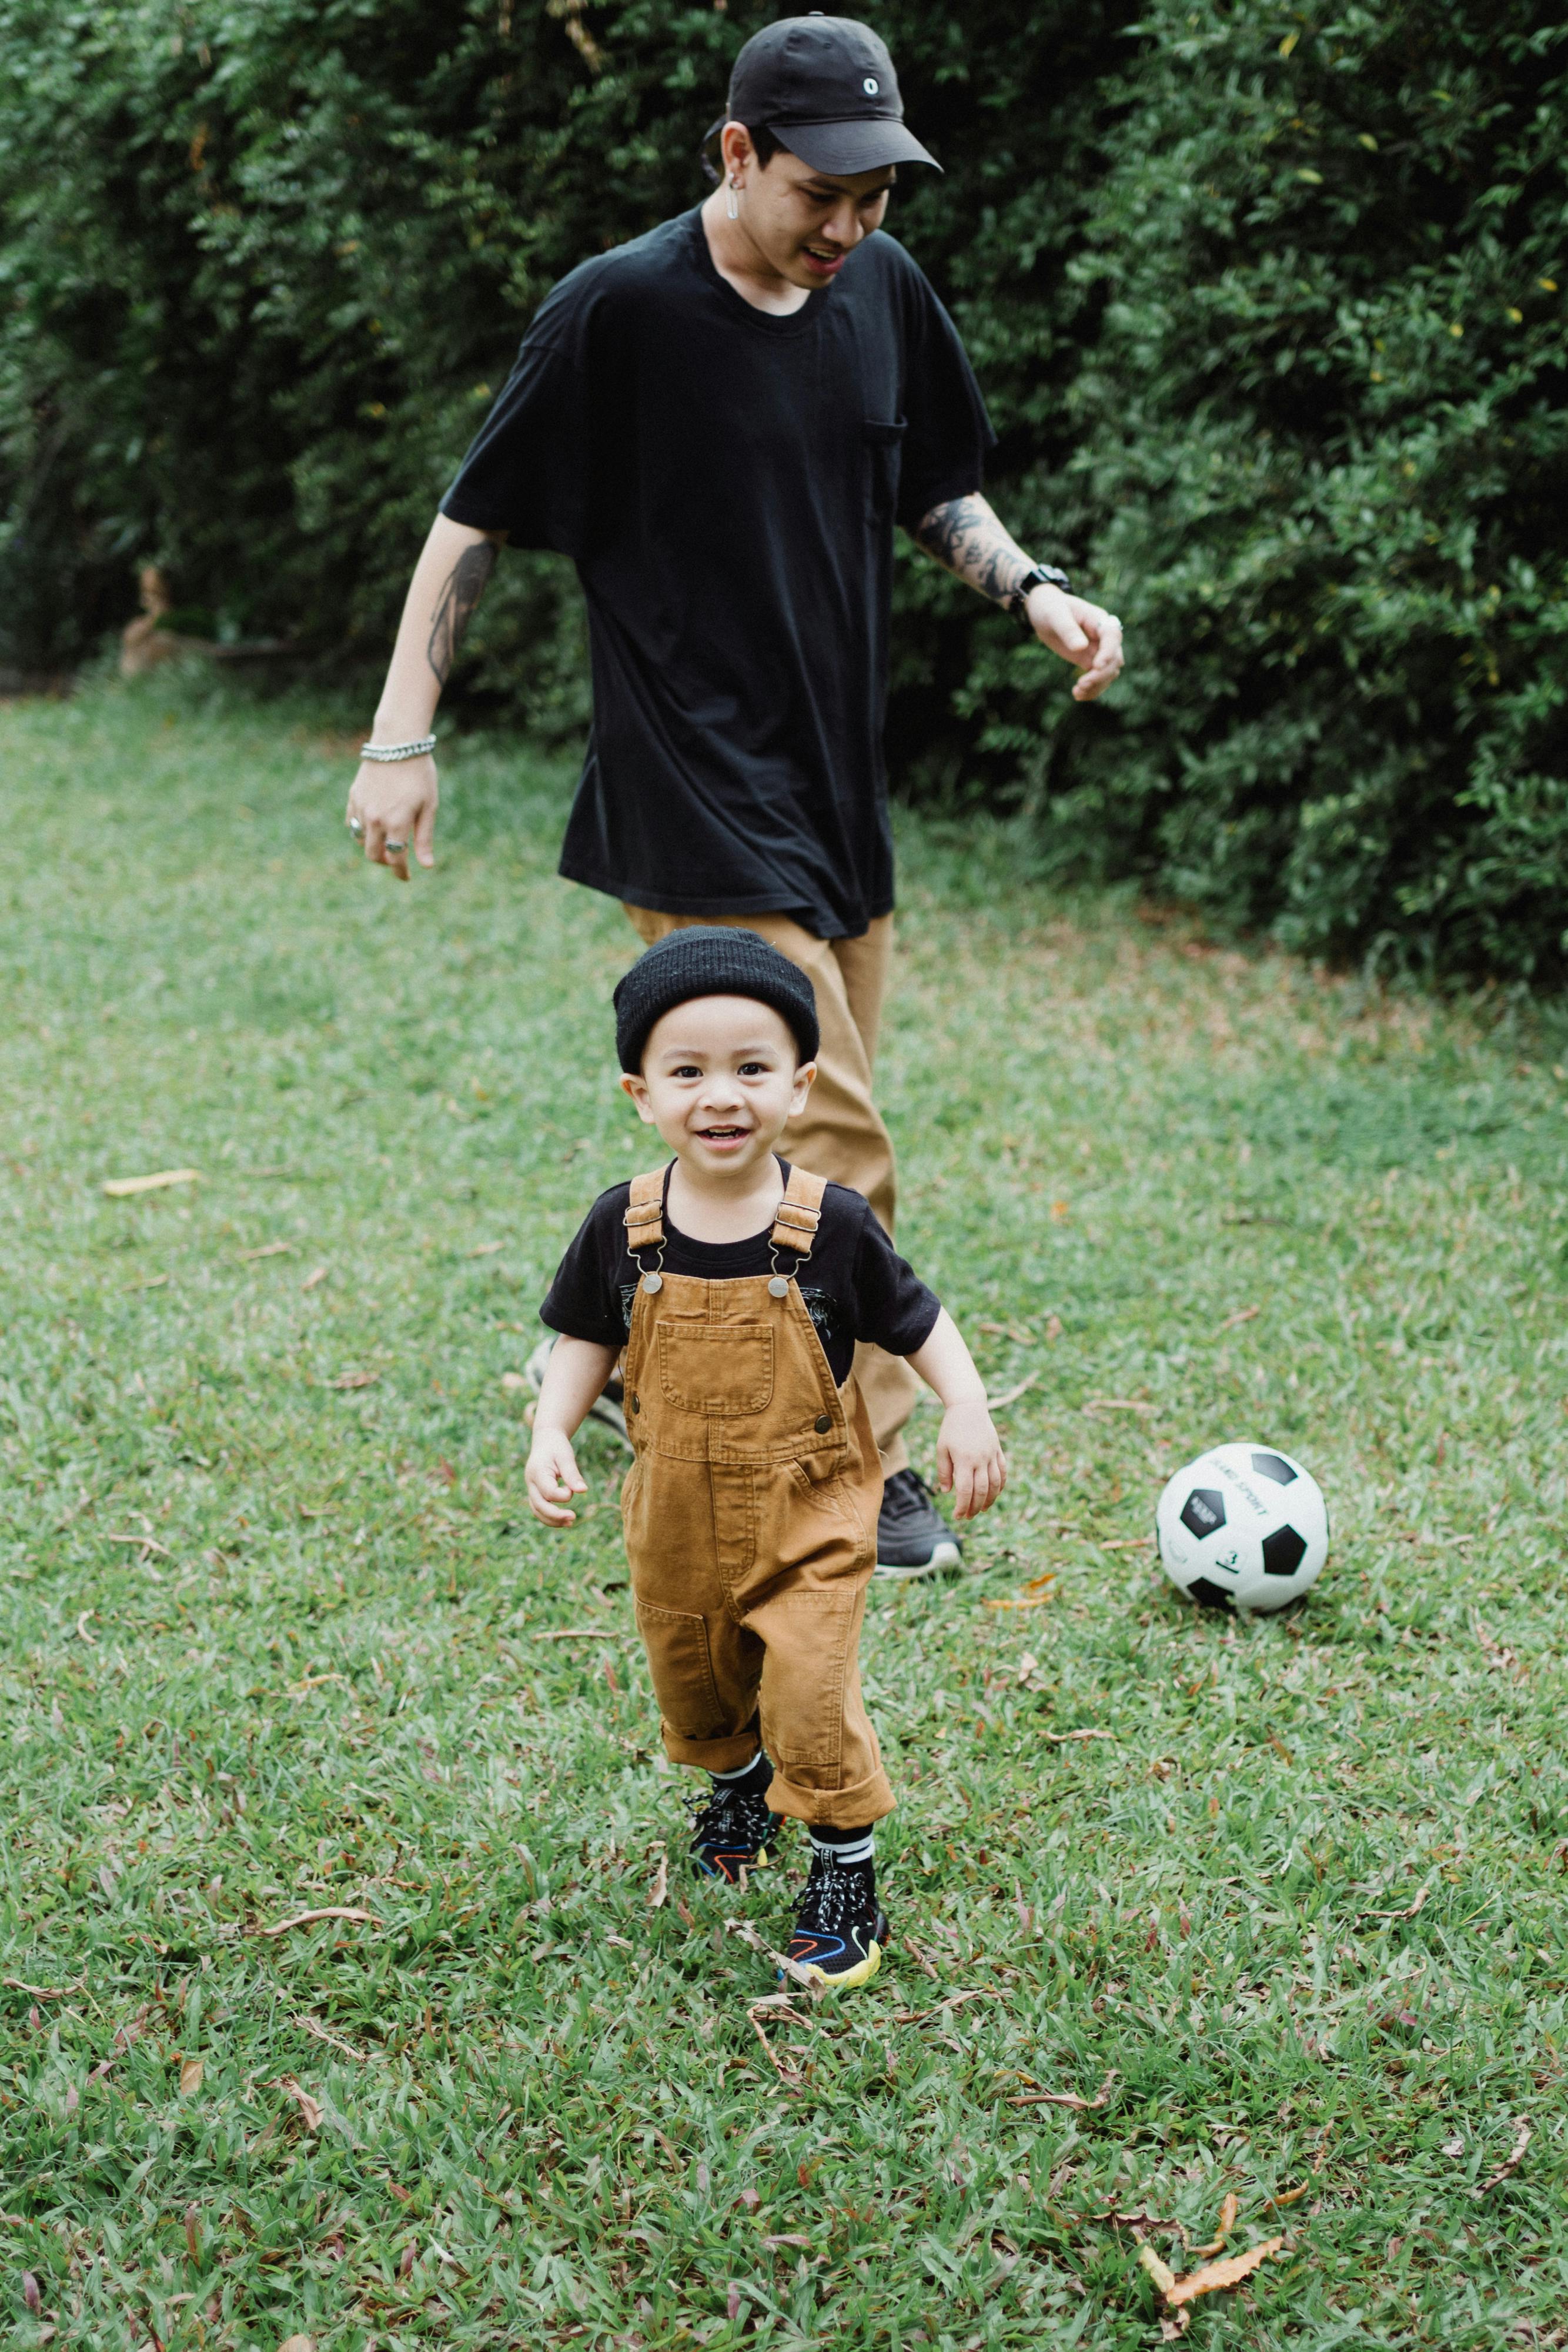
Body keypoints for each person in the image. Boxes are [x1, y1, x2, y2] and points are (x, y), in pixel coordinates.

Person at [346, 15, 1123, 1574]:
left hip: (838, 788)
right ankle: (871, 1474)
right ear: (735, 154)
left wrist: (1025, 585)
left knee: (763, 1146)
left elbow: (927, 484)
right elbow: (473, 521)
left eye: (873, 194)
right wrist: (399, 737)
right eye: (816, 192)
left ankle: (640, 1361)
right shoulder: (618, 310)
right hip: (692, 785)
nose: (845, 225)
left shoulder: (878, 289)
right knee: (837, 1142)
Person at [524, 928, 1004, 1987]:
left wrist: (964, 1403)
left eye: (752, 1068)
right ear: (638, 1092)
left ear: (800, 1084)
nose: (721, 1096)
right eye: (686, 1071)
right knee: (696, 1684)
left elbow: (916, 1321)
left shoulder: (829, 1225)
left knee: (809, 1697)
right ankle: (737, 1783)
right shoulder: (625, 1225)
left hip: (811, 1512)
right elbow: (585, 1339)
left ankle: (845, 1872)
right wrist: (553, 1426)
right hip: (674, 1513)